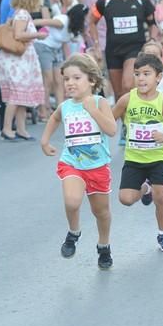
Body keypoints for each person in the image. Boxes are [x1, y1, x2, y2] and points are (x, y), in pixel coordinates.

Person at [40, 54, 116, 268]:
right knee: (72, 201)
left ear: (91, 80)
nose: (70, 83)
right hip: (71, 162)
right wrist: (45, 140)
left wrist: (92, 110)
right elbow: (54, 118)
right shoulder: (65, 106)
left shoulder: (100, 102)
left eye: (76, 78)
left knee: (101, 212)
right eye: (66, 79)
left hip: (98, 166)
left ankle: (104, 245)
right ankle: (74, 232)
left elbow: (111, 130)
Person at [112, 53, 163, 252]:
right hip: (134, 159)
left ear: (158, 77)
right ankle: (145, 189)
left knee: (162, 196)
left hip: (158, 157)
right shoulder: (127, 99)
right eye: (137, 74)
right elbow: (110, 120)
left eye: (146, 74)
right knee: (125, 199)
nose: (141, 78)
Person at [88, 0, 158, 106]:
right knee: (119, 93)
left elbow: (153, 24)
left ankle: (134, 119)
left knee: (128, 85)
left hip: (135, 49)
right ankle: (126, 126)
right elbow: (91, 22)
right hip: (113, 50)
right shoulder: (104, 0)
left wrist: (151, 41)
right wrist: (96, 45)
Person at [0, 0, 47, 141]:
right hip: (18, 60)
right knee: (16, 94)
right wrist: (37, 35)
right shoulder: (23, 14)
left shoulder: (19, 13)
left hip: (20, 58)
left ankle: (21, 128)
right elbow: (19, 35)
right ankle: (7, 128)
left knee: (21, 95)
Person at [34, 0, 86, 120]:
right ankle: (43, 110)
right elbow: (43, 21)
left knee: (59, 80)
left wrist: (69, 62)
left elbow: (64, 43)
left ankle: (60, 110)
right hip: (44, 47)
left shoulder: (73, 28)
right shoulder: (63, 21)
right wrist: (25, 23)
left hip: (56, 49)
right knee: (48, 80)